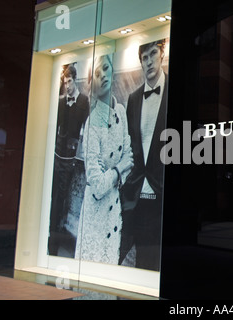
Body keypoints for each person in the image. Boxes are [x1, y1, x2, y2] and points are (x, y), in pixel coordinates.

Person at [75, 54, 134, 265]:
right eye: (97, 74)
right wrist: (118, 169)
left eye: (106, 69)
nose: (103, 76)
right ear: (93, 83)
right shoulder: (92, 125)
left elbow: (130, 159)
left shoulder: (121, 111)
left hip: (114, 209)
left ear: (113, 71)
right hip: (95, 213)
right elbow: (97, 185)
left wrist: (113, 172)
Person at [119, 39, 168, 271]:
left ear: (162, 53)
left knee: (159, 263)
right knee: (135, 263)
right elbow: (130, 145)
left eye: (153, 53)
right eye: (144, 57)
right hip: (137, 194)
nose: (149, 61)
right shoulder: (133, 98)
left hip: (162, 195)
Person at [49, 65, 89, 256]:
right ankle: (52, 233)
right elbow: (55, 126)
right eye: (65, 83)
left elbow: (84, 132)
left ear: (75, 79)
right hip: (57, 154)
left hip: (70, 158)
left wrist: (78, 155)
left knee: (62, 198)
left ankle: (55, 236)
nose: (67, 86)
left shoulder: (84, 101)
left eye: (69, 82)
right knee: (53, 195)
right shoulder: (61, 101)